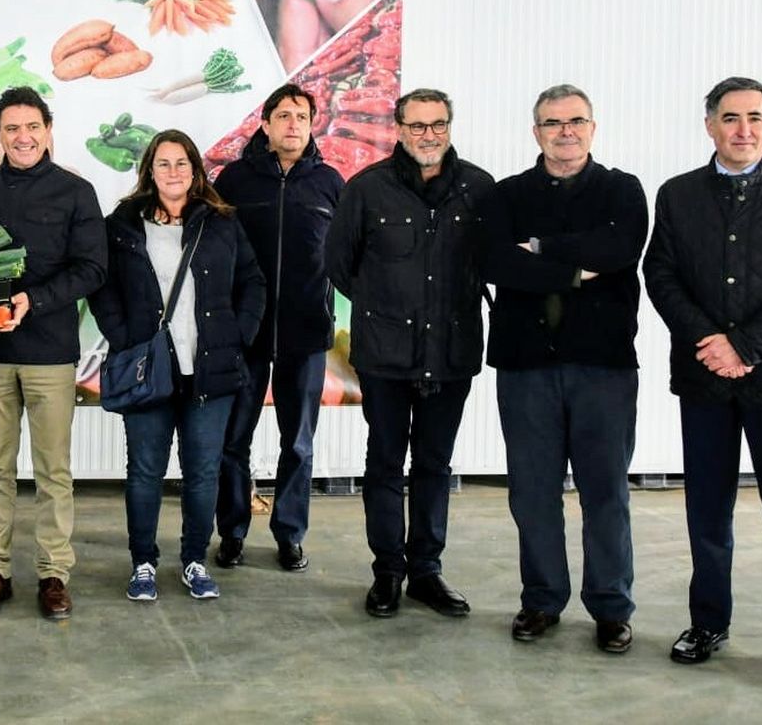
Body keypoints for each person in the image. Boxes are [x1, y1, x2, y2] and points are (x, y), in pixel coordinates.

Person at [643, 76, 762, 690]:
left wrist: (746, 347)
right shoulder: (678, 195)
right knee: (707, 509)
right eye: (730, 118)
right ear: (710, 125)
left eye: (755, 117)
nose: (743, 129)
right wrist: (711, 342)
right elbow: (661, 274)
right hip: (705, 379)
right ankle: (708, 623)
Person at [479, 85, 647, 653]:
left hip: (603, 366)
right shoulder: (506, 194)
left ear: (592, 128)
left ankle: (611, 608)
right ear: (536, 132)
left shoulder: (622, 190)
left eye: (576, 121)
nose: (565, 131)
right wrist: (575, 270)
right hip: (526, 366)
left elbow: (619, 250)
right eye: (552, 123)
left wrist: (539, 248)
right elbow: (496, 262)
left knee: (605, 492)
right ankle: (542, 599)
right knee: (532, 493)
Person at [325, 88, 493, 619]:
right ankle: (388, 573)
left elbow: (492, 261)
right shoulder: (367, 189)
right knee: (384, 463)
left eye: (437, 124)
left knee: (434, 464)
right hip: (385, 356)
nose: (428, 135)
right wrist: (386, 308)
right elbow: (339, 263)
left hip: (451, 351)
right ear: (398, 129)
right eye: (417, 126)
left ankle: (425, 572)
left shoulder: (478, 188)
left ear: (450, 126)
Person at [90, 130, 265, 602]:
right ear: (149, 171)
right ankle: (143, 563)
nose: (173, 172)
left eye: (181, 163)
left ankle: (194, 561)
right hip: (149, 369)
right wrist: (124, 338)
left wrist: (238, 335)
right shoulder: (122, 225)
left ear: (195, 170)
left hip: (210, 370)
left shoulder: (221, 221)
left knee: (203, 473)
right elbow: (102, 287)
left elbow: (252, 281)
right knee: (144, 472)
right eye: (163, 163)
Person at [0, 87, 106, 621]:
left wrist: (33, 300)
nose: (23, 137)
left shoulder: (76, 191)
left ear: (48, 130)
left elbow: (92, 269)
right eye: (11, 128)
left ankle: (53, 572)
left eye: (32, 127)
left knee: (53, 471)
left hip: (50, 353)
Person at [212, 84, 343, 572]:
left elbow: (349, 253)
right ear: (265, 124)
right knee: (233, 440)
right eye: (283, 115)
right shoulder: (234, 180)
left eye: (301, 116)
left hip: (306, 334)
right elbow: (214, 250)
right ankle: (232, 531)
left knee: (299, 442)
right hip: (245, 332)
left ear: (312, 125)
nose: (293, 124)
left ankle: (290, 534)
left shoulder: (329, 182)